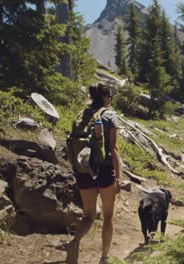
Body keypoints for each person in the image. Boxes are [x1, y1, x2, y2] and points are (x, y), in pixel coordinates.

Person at [66, 83, 122, 264]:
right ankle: (104, 258)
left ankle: (74, 242)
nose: (111, 100)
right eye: (110, 97)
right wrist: (119, 176)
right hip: (104, 172)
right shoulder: (109, 116)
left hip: (84, 170)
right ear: (105, 98)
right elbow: (113, 148)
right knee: (108, 216)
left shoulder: (82, 115)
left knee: (88, 216)